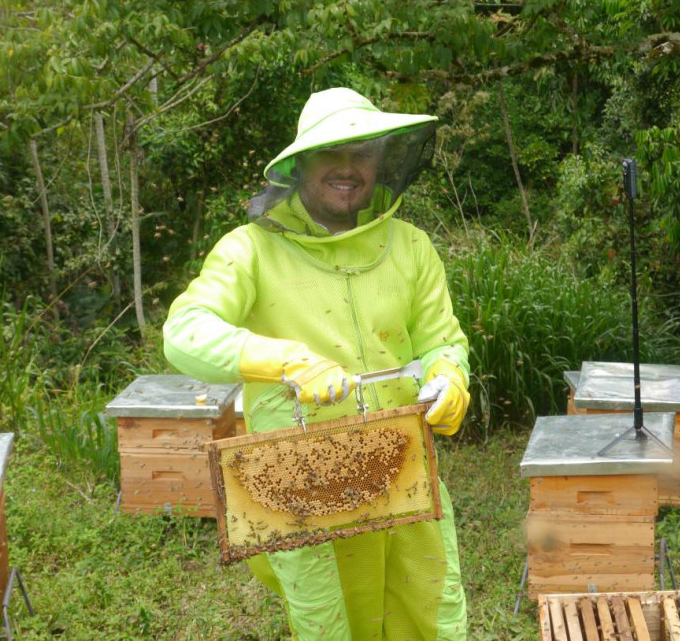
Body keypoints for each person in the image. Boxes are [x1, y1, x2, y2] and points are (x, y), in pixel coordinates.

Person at [163, 87, 471, 640]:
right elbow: (185, 333)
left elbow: (440, 340)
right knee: (327, 623)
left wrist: (448, 376)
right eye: (332, 153)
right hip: (299, 482)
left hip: (403, 465)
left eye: (362, 154)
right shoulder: (247, 250)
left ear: (381, 162)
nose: (347, 168)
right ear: (301, 162)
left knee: (429, 609)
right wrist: (283, 360)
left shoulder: (412, 247)